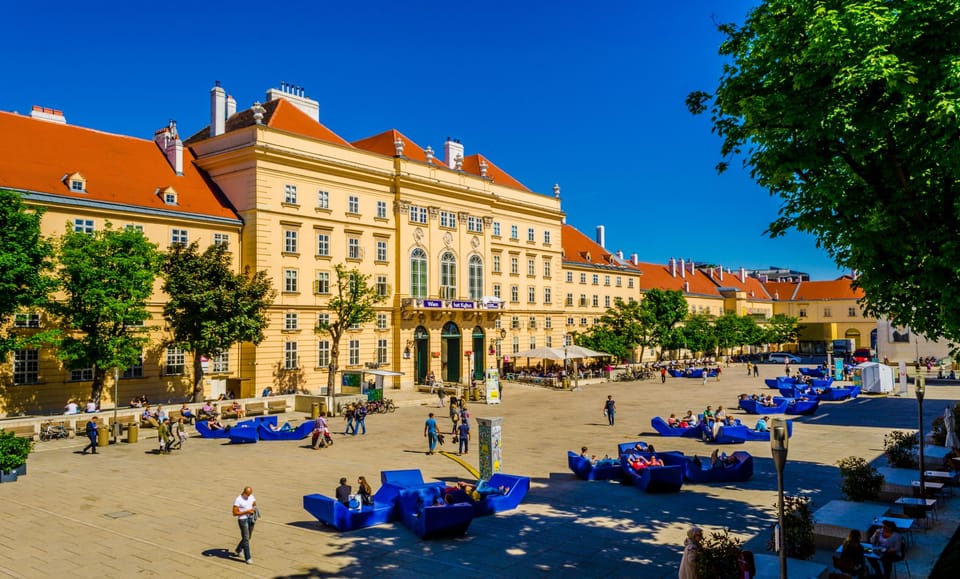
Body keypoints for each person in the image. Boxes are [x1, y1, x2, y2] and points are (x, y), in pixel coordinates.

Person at [232, 486, 257, 565]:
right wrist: (246, 512)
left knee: (248, 537)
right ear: (244, 492)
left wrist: (254, 510)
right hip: (242, 520)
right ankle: (248, 558)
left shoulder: (251, 496)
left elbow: (254, 504)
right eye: (248, 494)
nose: (249, 496)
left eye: (250, 494)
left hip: (250, 518)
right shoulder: (238, 500)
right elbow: (234, 513)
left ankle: (238, 549)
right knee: (246, 538)